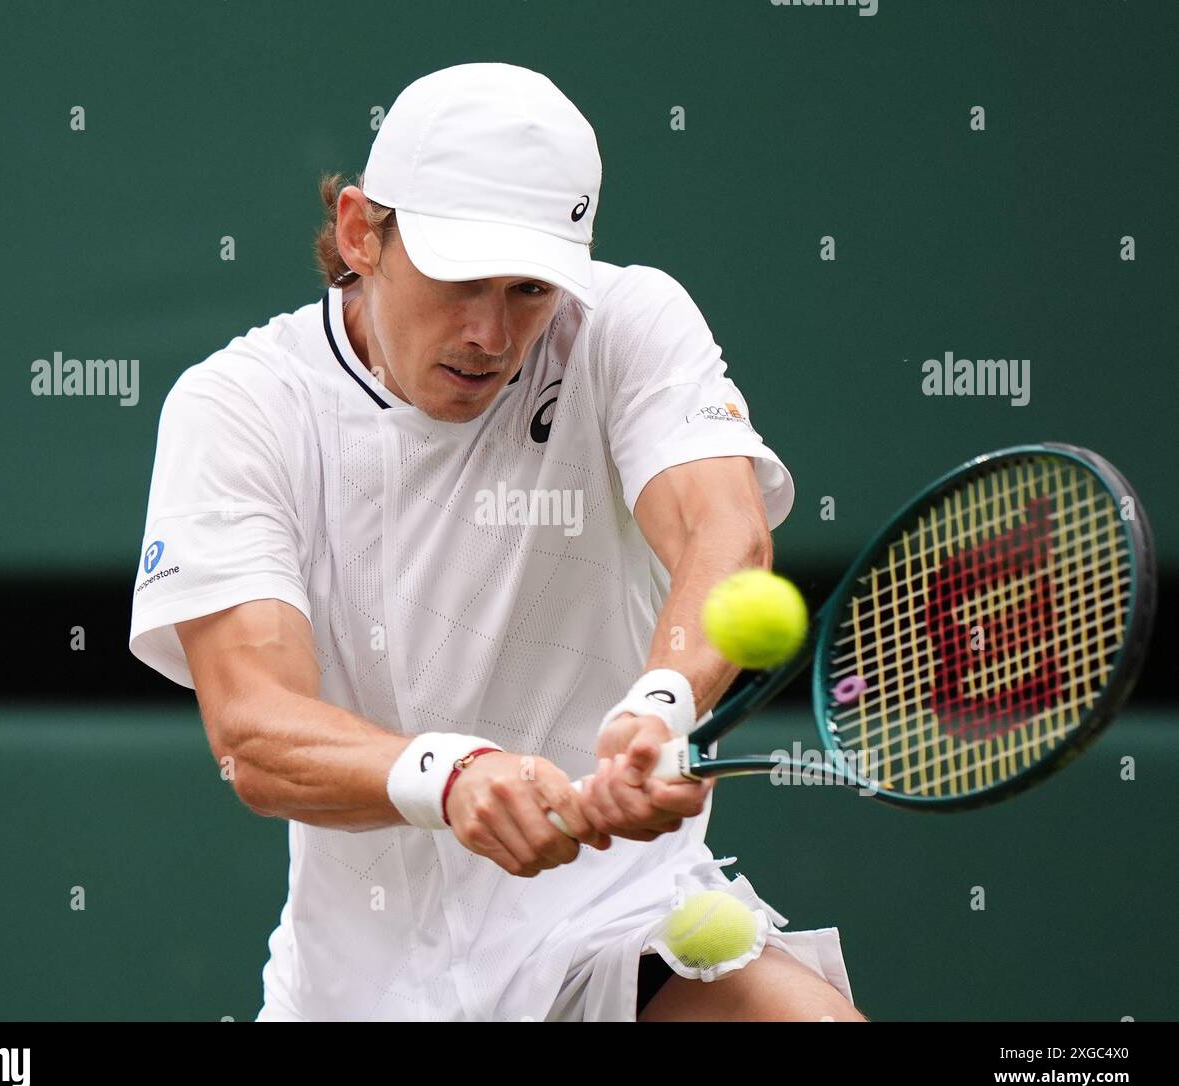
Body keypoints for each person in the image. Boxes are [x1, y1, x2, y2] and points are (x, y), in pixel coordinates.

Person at [128, 61, 862, 1021]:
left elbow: (722, 529)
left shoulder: (627, 323)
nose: (490, 331)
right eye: (460, 279)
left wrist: (662, 700)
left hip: (624, 928)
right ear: (361, 232)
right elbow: (257, 732)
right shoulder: (238, 407)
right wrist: (452, 775)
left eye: (528, 289)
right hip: (364, 992)